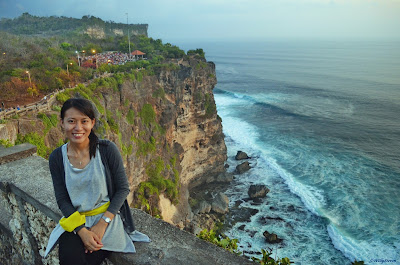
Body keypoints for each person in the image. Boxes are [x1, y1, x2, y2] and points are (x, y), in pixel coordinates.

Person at [44, 98, 150, 264]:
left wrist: (103, 223)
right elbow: (62, 199)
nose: (78, 128)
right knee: (68, 256)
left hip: (107, 222)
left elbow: (123, 188)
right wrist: (81, 230)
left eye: (84, 121)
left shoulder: (106, 150)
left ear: (92, 123)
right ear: (62, 123)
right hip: (76, 221)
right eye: (71, 121)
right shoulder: (57, 158)